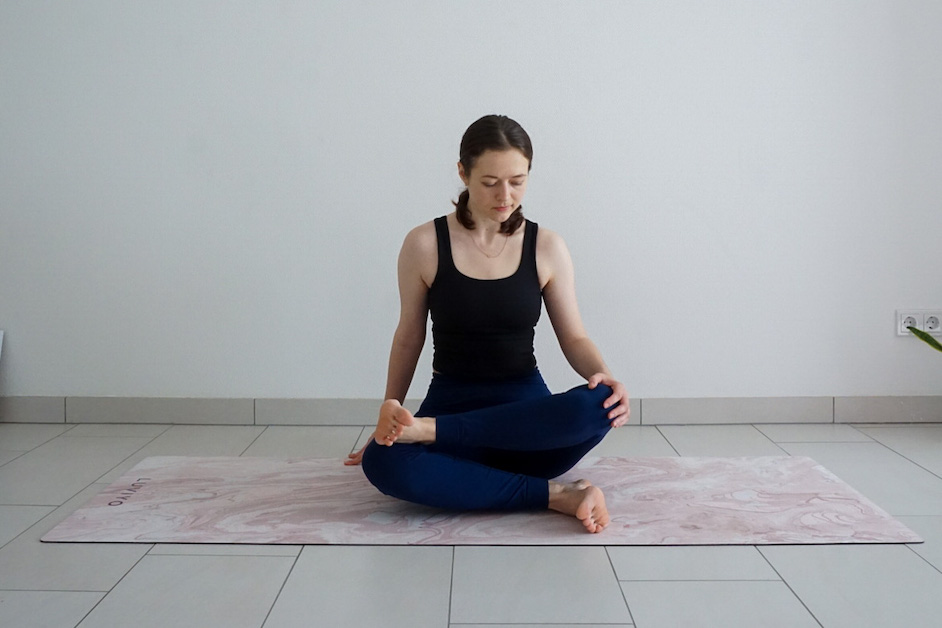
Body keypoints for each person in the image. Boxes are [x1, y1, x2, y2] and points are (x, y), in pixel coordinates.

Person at [345, 114, 629, 533]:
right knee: (383, 461)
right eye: (490, 181)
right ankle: (559, 495)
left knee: (597, 404)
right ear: (463, 172)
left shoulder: (546, 246)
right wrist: (392, 415)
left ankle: (441, 442)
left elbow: (575, 336)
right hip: (451, 402)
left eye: (518, 180)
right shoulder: (424, 244)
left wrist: (603, 376)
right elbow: (409, 336)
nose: (505, 195)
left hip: (525, 424)